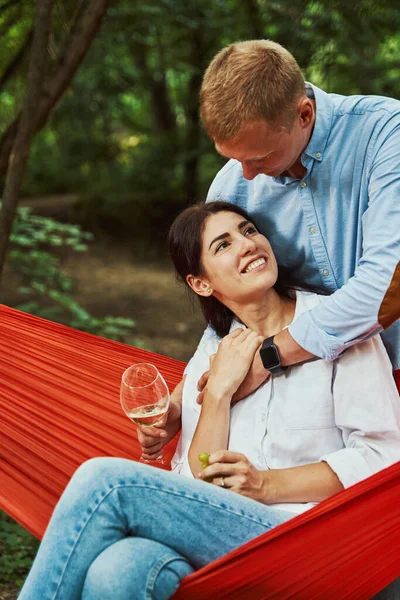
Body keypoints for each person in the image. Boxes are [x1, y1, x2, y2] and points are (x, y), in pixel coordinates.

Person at [19, 202, 400, 600]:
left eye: (249, 231)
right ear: (201, 284)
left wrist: (266, 485)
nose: (247, 245)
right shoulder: (213, 354)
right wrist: (218, 393)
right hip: (226, 541)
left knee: (105, 483)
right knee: (121, 567)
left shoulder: (336, 328)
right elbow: (200, 481)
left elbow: (383, 456)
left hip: (312, 542)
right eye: (223, 245)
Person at [143, 39, 399, 462]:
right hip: (319, 393)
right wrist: (185, 398)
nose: (246, 175)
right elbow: (231, 305)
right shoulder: (233, 182)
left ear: (304, 114)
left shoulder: (386, 136)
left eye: (258, 157)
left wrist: (269, 356)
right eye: (232, 159)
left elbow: (388, 286)